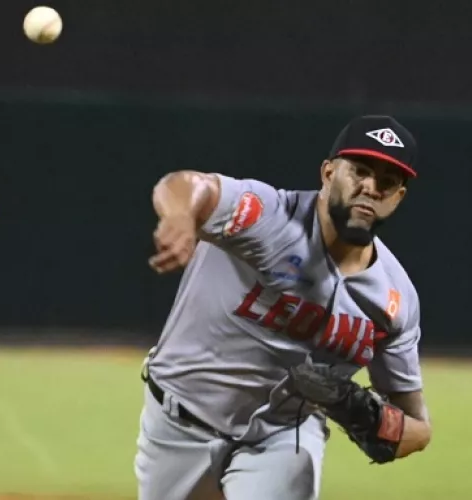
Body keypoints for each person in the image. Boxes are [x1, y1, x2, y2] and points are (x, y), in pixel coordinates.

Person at [135, 115, 432, 500]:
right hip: (179, 423)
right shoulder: (269, 217)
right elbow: (188, 185)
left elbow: (417, 428)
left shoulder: (395, 300)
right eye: (359, 171)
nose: (370, 188)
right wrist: (180, 214)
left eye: (387, 182)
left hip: (284, 436)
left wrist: (354, 408)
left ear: (398, 197)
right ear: (327, 173)